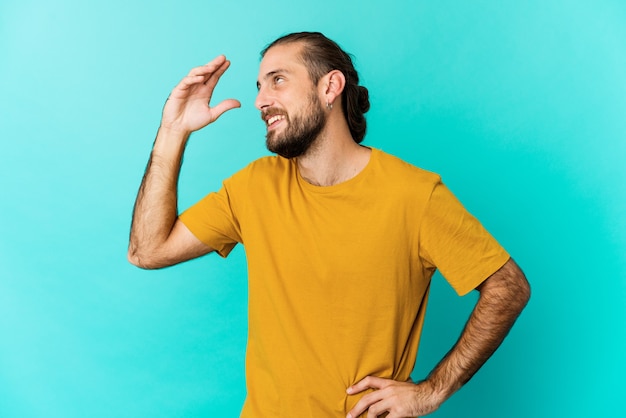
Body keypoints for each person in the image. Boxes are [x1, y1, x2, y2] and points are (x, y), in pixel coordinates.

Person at [128, 32, 530, 418]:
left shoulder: (414, 195)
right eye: (258, 86)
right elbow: (147, 251)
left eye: (277, 81)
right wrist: (173, 129)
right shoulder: (253, 186)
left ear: (329, 87)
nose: (260, 101)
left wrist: (432, 390)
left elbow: (508, 287)